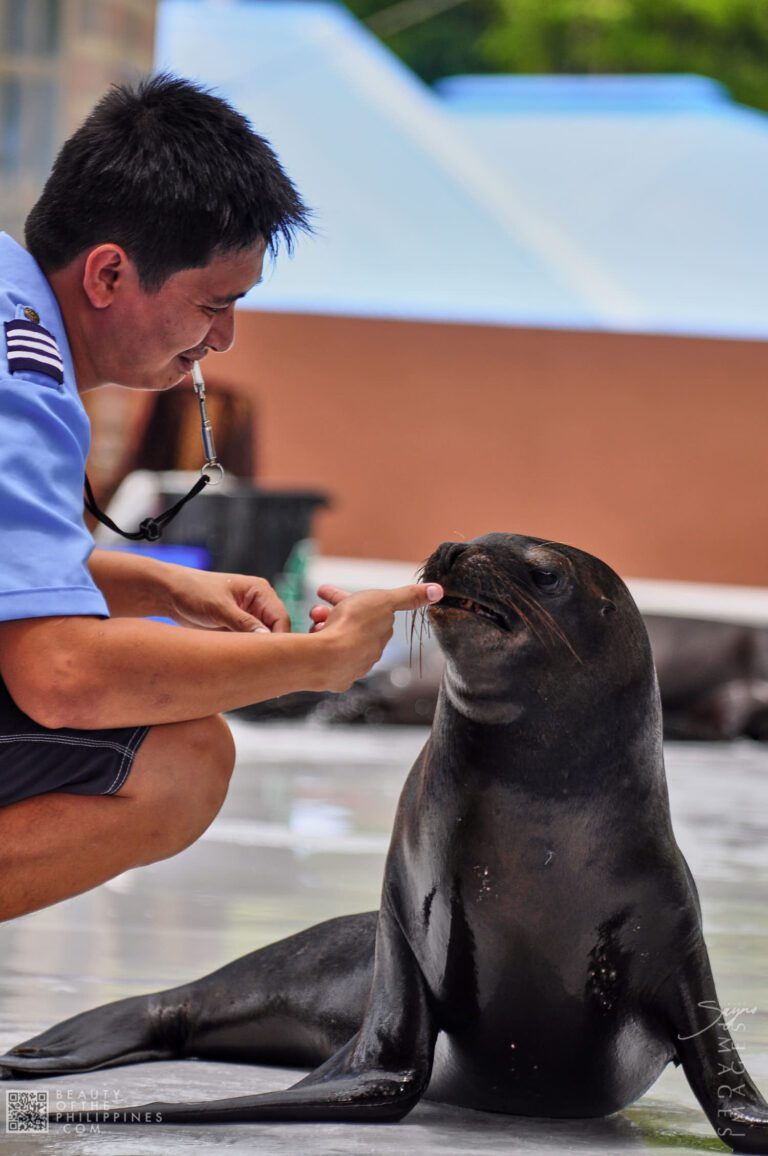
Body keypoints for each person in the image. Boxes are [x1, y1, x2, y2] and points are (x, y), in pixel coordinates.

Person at [0, 75, 442, 923]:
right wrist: (316, 663)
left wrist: (158, 585)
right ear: (108, 273)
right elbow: (62, 675)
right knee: (183, 760)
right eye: (214, 304)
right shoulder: (24, 383)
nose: (225, 338)